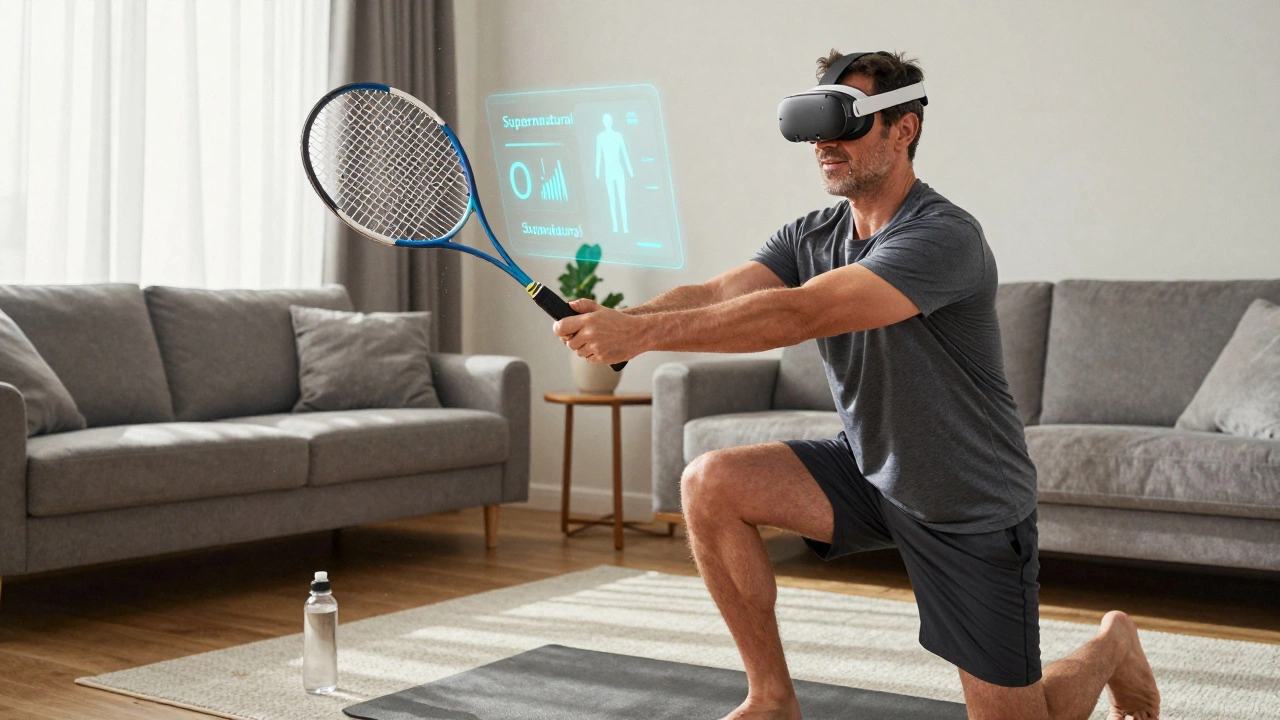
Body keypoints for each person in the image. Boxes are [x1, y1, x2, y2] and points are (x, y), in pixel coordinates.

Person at [552, 50, 1161, 720]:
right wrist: (624, 319)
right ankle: (771, 697)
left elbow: (800, 312)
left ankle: (1110, 646)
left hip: (968, 503)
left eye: (840, 123)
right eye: (812, 125)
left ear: (902, 129)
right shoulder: (812, 234)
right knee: (709, 482)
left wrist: (638, 338)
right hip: (871, 470)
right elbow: (726, 290)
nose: (821, 143)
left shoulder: (943, 237)